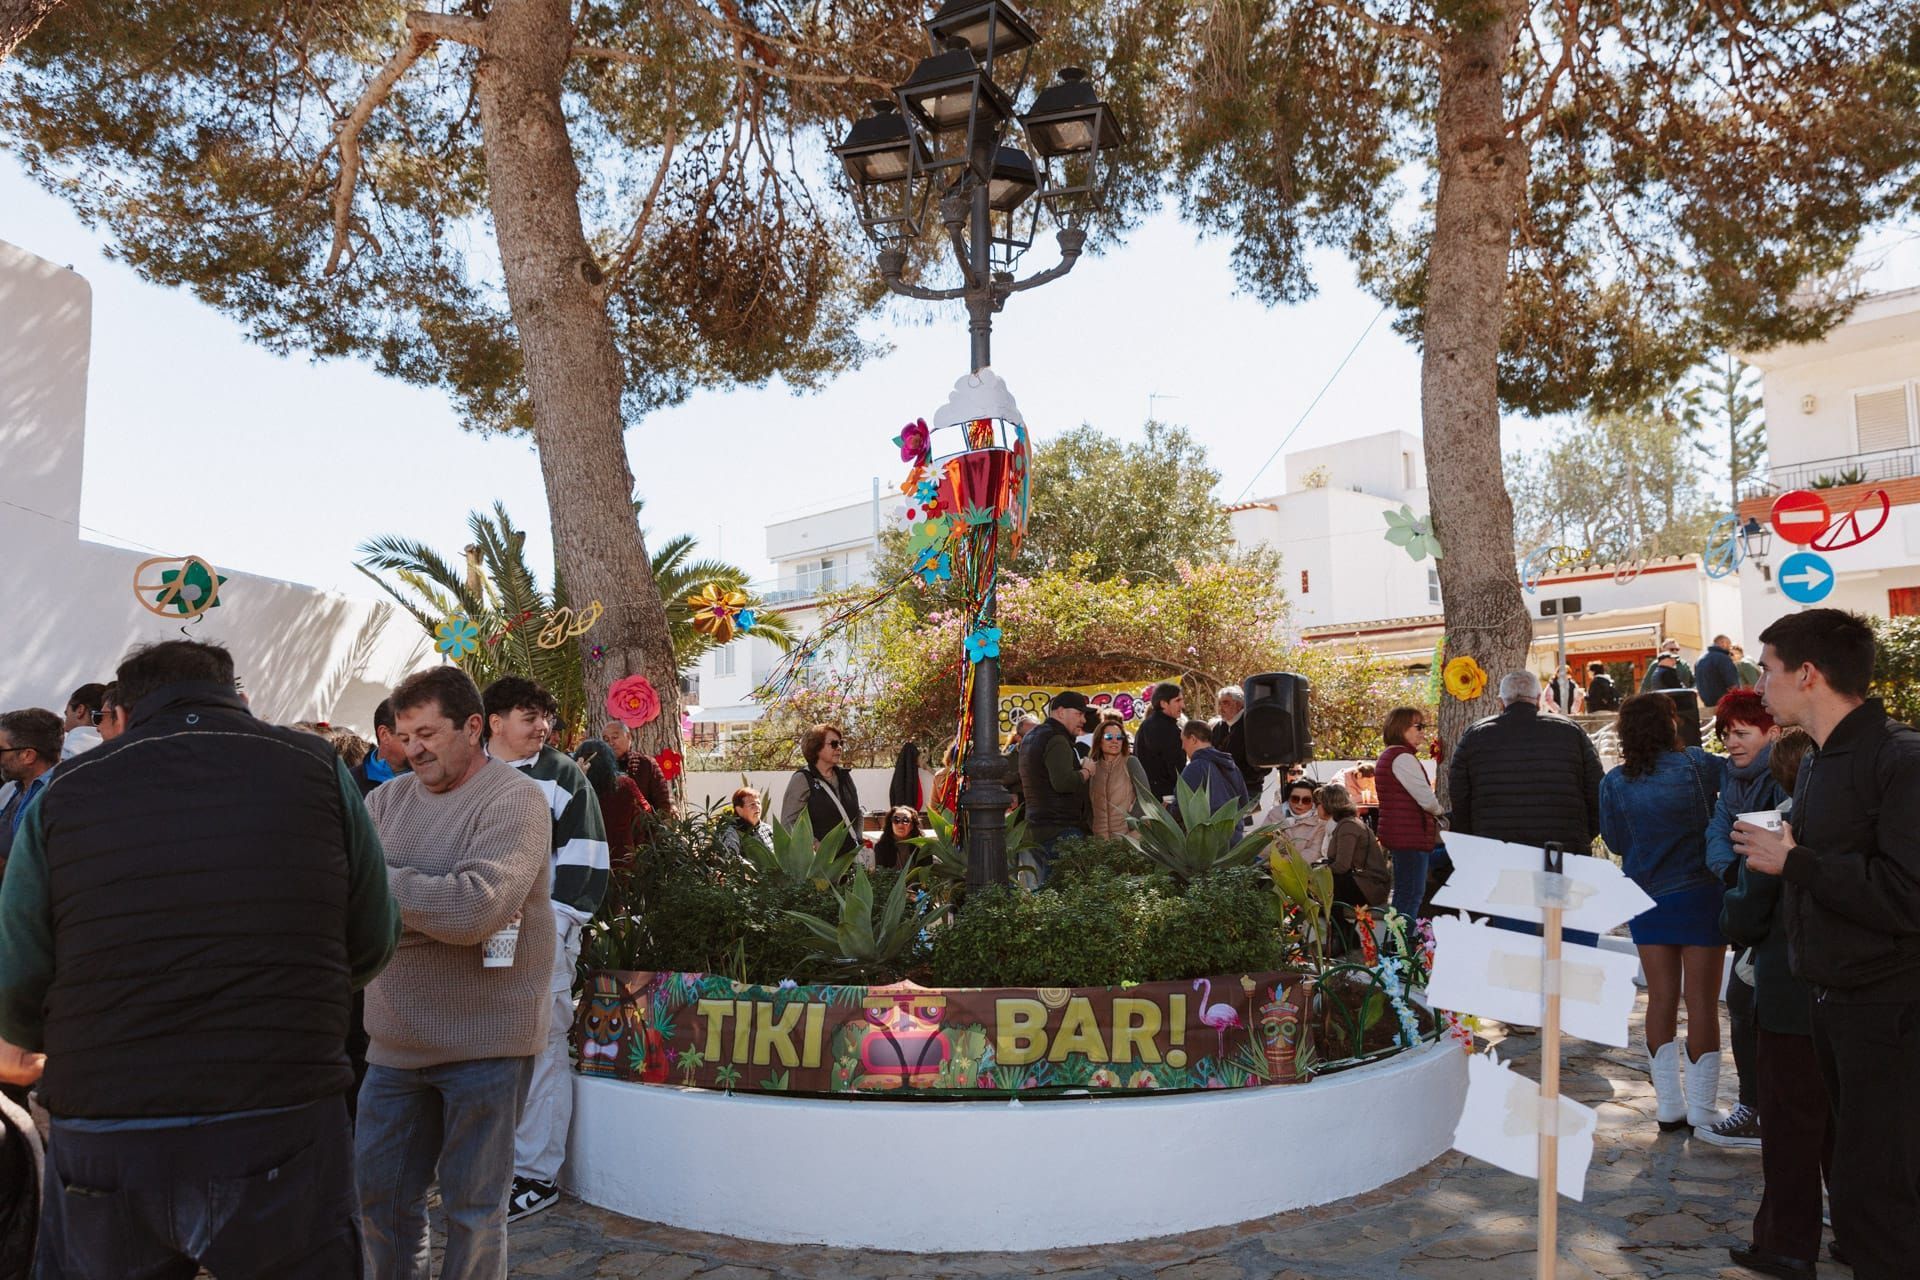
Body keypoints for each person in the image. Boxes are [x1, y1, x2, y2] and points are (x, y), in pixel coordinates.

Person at [0, 639, 399, 1278]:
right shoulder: (313, 767)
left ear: (121, 716)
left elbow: (19, 972)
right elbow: (374, 935)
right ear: (238, 699)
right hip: (280, 1107)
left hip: (109, 1121)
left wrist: (36, 1038)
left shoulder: (65, 790)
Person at [1733, 608, 1920, 1280]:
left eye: (1767, 670)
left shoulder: (1900, 758)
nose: (1758, 687)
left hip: (1889, 1011)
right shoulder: (1812, 762)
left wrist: (1795, 863)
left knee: (1883, 1200)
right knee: (1859, 1192)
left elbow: (1907, 895)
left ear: (1806, 674)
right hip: (1828, 1007)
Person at [358, 665, 555, 1280]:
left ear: (473, 728)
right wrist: (422, 907)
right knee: (379, 1203)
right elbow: (352, 910)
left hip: (487, 1043)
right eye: (404, 734)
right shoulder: (383, 801)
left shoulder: (516, 801)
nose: (412, 747)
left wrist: (378, 892)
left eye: (428, 732)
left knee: (474, 1211)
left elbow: (475, 908)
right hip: (392, 1043)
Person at [479, 677, 610, 1224]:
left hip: (541, 935)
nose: (543, 728)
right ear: (494, 722)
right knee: (483, 1045)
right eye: (530, 716)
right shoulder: (469, 772)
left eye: (546, 718)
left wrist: (557, 924)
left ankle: (536, 1176)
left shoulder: (561, 776)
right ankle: (492, 1165)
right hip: (472, 934)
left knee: (542, 1046)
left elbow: (587, 857)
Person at [1722, 728, 1828, 1280]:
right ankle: (1856, 1233)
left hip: (1788, 995)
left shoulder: (1774, 823)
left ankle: (1787, 1244)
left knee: (1788, 1127)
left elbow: (1745, 914)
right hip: (1841, 996)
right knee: (1840, 1125)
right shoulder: (1851, 817)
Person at [1600, 694, 1727, 1134]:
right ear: (1671, 722)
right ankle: (1704, 1109)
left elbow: (1616, 843)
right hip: (1700, 894)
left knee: (1660, 998)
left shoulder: (1615, 781)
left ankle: (1668, 1107)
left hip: (1647, 898)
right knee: (1703, 1003)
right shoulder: (1700, 764)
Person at [1449, 670, 1605, 946]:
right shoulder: (1569, 731)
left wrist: (1476, 844)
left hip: (1505, 856)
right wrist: (1585, 834)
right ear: (1537, 698)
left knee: (1516, 943)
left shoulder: (1476, 736)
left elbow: (1460, 798)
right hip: (1565, 851)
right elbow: (1597, 790)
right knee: (1571, 939)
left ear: (1501, 701)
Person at [1697, 689, 1785, 1151]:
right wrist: (1731, 869)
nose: (1731, 742)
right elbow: (1718, 830)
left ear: (1772, 733)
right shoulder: (1729, 779)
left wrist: (1743, 861)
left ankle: (1761, 1111)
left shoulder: (1786, 772)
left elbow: (1768, 839)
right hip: (1740, 892)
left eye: (1742, 732)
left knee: (1754, 1008)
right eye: (1727, 733)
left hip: (1772, 910)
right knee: (1741, 1004)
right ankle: (1755, 1107)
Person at [1375, 707, 1445, 919]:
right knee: (1412, 895)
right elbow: (1426, 800)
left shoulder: (1389, 756)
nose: (1423, 733)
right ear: (1401, 727)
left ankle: (1394, 946)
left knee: (1403, 895)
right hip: (1410, 836)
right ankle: (1401, 947)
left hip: (1401, 835)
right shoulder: (1403, 758)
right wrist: (1441, 812)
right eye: (1419, 727)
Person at [1018, 692, 1094, 863]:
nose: (1083, 720)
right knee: (1064, 886)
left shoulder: (1031, 736)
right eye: (1079, 714)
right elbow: (1064, 782)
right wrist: (1086, 771)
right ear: (1061, 712)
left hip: (1036, 826)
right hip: (1060, 829)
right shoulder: (1057, 739)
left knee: (1044, 887)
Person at [779, 723, 864, 854]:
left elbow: (856, 812)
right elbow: (789, 822)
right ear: (816, 748)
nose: (839, 748)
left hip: (850, 859)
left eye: (841, 743)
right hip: (820, 865)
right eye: (834, 744)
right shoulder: (803, 779)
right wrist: (814, 846)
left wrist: (858, 839)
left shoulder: (845, 776)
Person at [574, 738, 648, 873]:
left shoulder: (575, 788)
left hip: (584, 860)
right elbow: (645, 814)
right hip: (622, 859)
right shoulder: (625, 784)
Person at [1320, 783, 1391, 913]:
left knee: (1327, 881)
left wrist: (1317, 871)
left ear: (1327, 805)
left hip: (1369, 887)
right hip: (1364, 883)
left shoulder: (1348, 827)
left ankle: (1340, 930)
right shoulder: (1347, 823)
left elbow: (1342, 866)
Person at [0, 709, 60, 856]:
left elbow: (33, 865)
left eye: (0, 751)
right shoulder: (19, 784)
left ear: (27, 756)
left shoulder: (54, 797)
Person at [1179, 719, 1250, 840]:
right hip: (1234, 840)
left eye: (1183, 741)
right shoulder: (1232, 766)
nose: (1182, 747)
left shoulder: (1195, 768)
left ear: (1193, 739)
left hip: (1207, 844)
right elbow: (1244, 803)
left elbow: (1180, 808)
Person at [1088, 716, 1151, 839]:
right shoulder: (1091, 768)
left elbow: (1146, 797)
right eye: (1108, 737)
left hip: (1129, 840)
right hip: (1099, 843)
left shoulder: (1131, 762)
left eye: (1119, 737)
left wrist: (1133, 828)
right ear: (1099, 741)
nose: (1115, 741)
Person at [602, 719, 674, 818]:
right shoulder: (600, 767)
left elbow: (662, 800)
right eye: (606, 740)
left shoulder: (646, 763)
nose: (611, 743)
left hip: (641, 828)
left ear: (628, 737)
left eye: (615, 737)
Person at [1214, 684, 1269, 804]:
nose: (1221, 708)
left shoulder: (1253, 726)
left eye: (1226, 703)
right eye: (1220, 703)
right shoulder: (1219, 727)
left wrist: (1247, 777)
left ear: (1239, 705)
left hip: (1247, 790)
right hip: (1223, 790)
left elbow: (1264, 762)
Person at [1134, 681, 1186, 804]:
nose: (1183, 705)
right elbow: (1174, 767)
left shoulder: (1147, 725)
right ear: (1163, 703)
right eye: (1177, 701)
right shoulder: (1165, 728)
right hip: (1165, 798)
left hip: (1151, 796)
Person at [353, 697, 410, 794]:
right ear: (384, 735)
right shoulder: (349, 783)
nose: (419, 746)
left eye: (425, 735)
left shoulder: (434, 778)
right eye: (407, 738)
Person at [1276, 779, 1330, 861]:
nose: (1300, 803)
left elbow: (1315, 852)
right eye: (1295, 799)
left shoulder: (1321, 820)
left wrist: (1290, 864)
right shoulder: (1275, 814)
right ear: (1288, 798)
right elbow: (1265, 847)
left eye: (1306, 800)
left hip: (1304, 870)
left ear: (1314, 802)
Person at [719, 787, 771, 859]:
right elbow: (732, 862)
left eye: (758, 803)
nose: (757, 807)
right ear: (739, 809)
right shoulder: (730, 833)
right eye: (752, 804)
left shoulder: (768, 829)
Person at [58, 683, 106, 759]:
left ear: (80, 710)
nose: (64, 723)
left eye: (66, 713)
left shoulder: (63, 754)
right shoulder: (119, 749)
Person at [1003, 714, 1040, 810]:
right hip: (1018, 813)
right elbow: (999, 783)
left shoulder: (1048, 755)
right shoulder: (1007, 760)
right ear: (1018, 738)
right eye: (1031, 736)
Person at [1695, 634, 1741, 710]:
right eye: (1729, 644)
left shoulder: (1700, 659)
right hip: (1724, 703)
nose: (1730, 647)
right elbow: (1732, 683)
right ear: (1722, 642)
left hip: (1707, 703)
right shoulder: (1723, 658)